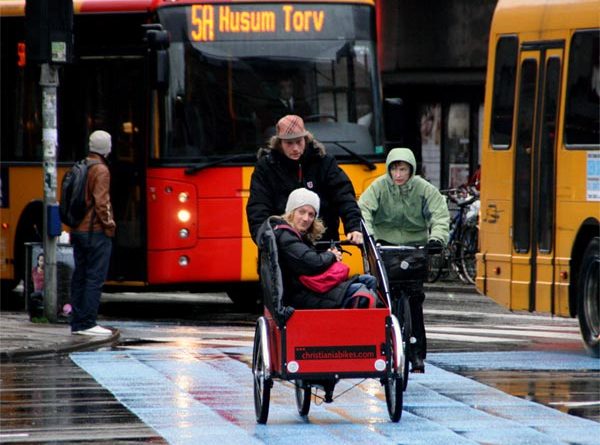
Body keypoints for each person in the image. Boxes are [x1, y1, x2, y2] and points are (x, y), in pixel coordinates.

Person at [358, 147, 449, 373]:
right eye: (394, 169)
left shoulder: (424, 189)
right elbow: (364, 210)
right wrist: (369, 238)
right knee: (385, 300)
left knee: (415, 300)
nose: (398, 174)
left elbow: (440, 213)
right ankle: (386, 346)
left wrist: (437, 239)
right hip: (385, 246)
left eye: (403, 169)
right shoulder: (378, 187)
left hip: (415, 248)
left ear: (411, 170)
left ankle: (417, 355)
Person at [247, 114, 364, 245]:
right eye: (289, 143)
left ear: (306, 139)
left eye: (299, 141)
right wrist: (266, 240)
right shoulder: (266, 167)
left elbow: (344, 197)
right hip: (283, 249)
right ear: (279, 143)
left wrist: (354, 227)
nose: (295, 148)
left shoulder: (324, 162)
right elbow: (258, 208)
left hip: (323, 245)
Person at [263, 188, 376, 309]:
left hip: (309, 288)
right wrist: (331, 255)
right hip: (300, 295)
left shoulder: (295, 235)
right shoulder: (285, 235)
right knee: (362, 290)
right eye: (302, 212)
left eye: (311, 214)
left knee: (369, 280)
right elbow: (311, 262)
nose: (306, 218)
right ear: (291, 212)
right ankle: (357, 325)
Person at [70, 130, 116, 336]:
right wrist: (109, 224)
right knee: (94, 278)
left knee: (80, 275)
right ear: (106, 148)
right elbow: (101, 202)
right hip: (95, 231)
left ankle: (77, 322)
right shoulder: (101, 170)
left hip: (78, 230)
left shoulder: (81, 165)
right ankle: (88, 322)